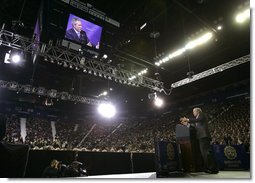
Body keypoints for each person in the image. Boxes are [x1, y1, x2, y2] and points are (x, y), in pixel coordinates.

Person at [180, 108, 218, 174]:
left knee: (206, 152)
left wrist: (187, 119)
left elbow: (197, 120)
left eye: (193, 111)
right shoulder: (197, 121)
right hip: (200, 137)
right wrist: (187, 124)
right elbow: (195, 128)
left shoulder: (201, 115)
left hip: (204, 136)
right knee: (204, 153)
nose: (193, 113)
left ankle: (212, 168)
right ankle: (208, 167)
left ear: (198, 111)